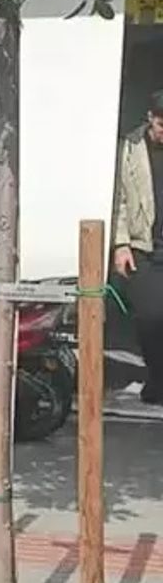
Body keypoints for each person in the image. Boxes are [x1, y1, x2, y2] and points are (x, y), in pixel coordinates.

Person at [113, 89, 163, 405]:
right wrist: (121, 244)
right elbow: (118, 199)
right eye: (162, 124)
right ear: (150, 118)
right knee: (151, 317)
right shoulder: (129, 149)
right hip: (145, 246)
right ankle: (157, 378)